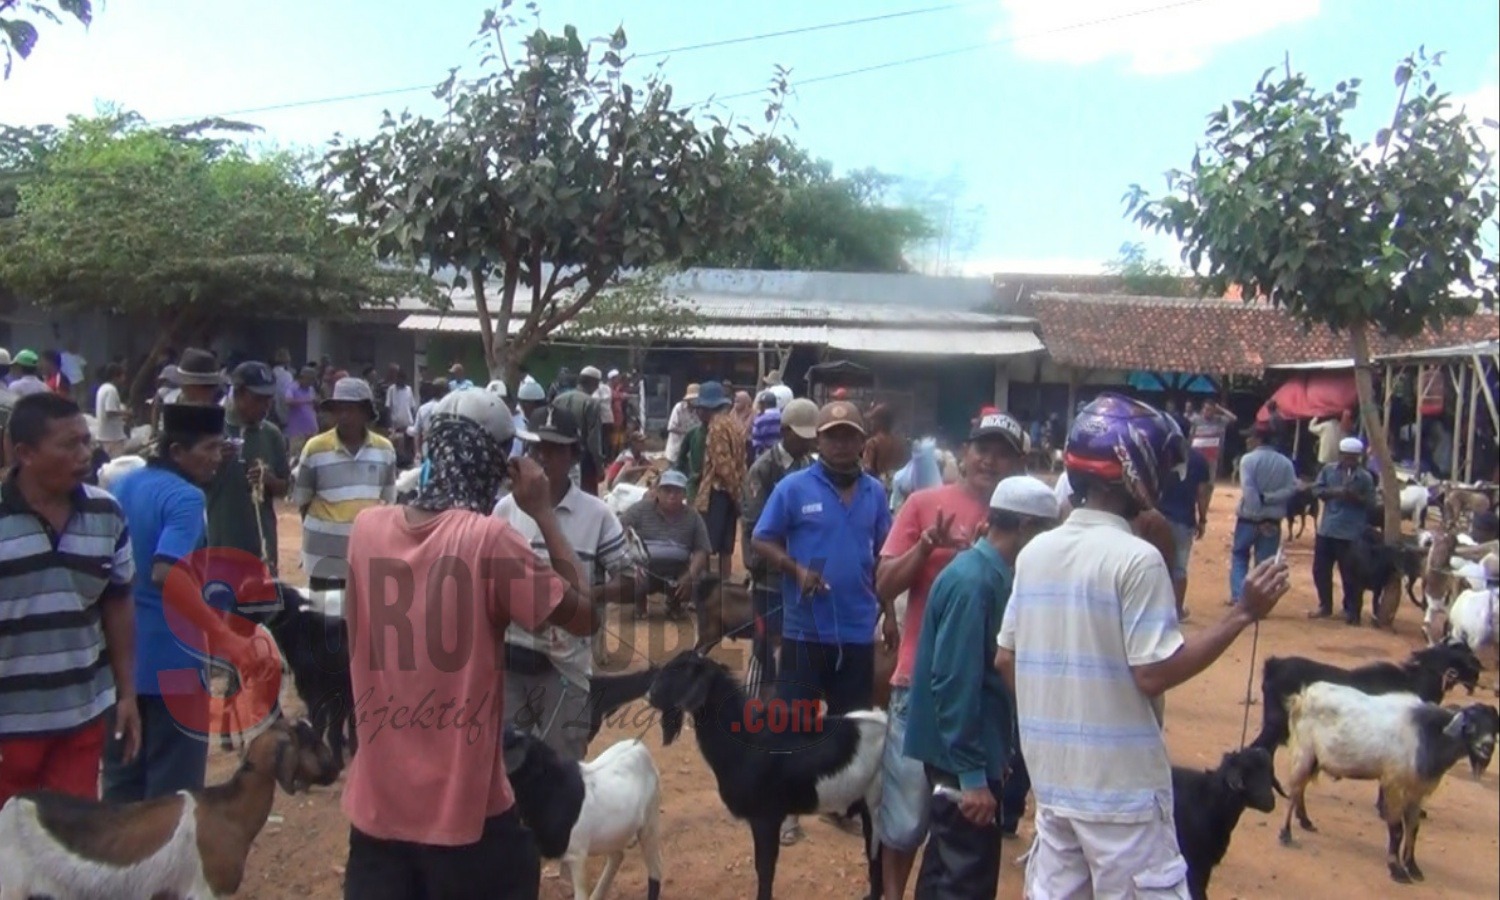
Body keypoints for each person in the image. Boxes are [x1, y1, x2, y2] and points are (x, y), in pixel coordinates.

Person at [995, 393, 1290, 899]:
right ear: (1138, 469)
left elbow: (1006, 659)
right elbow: (1153, 672)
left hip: (1055, 788)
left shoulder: (1036, 551)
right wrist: (1242, 613)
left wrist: (1063, 723)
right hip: (1122, 800)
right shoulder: (1138, 559)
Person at [341, 388, 595, 900]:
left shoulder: (366, 529)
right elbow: (584, 616)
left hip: (376, 812)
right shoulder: (489, 541)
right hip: (466, 820)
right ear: (494, 462)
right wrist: (544, 512)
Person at [873, 409, 1028, 895]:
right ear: (964, 452)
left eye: (1003, 454)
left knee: (959, 825)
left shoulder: (1027, 524)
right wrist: (925, 548)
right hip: (915, 684)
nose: (990, 461)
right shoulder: (923, 503)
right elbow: (882, 585)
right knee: (904, 823)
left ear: (1016, 466)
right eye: (983, 449)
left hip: (986, 692)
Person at [905, 476, 1059, 899]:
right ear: (1027, 527)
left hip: (965, 750)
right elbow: (954, 682)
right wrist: (973, 776)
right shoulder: (975, 583)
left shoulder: (988, 574)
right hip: (958, 757)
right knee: (966, 879)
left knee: (944, 870)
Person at [751, 399, 895, 848]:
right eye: (832, 435)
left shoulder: (874, 492)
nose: (841, 443)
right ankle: (788, 809)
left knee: (847, 724)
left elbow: (885, 556)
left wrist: (889, 614)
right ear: (819, 439)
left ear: (861, 441)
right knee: (793, 719)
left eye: (850, 435)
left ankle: (840, 805)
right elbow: (761, 539)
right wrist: (796, 571)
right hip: (803, 629)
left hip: (856, 629)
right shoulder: (794, 487)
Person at [104, 403, 260, 801]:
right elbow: (166, 572)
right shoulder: (187, 498)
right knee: (171, 803)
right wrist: (224, 640)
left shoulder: (124, 484)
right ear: (176, 451)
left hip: (121, 663)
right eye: (208, 449)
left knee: (122, 794)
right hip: (174, 663)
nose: (215, 458)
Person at [0, 393, 140, 808]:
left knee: (70, 846)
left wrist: (127, 694)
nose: (86, 455)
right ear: (24, 453)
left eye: (86, 441)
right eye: (69, 445)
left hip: (81, 719)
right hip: (8, 726)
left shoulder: (107, 514)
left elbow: (117, 604)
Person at [497, 404, 630, 763]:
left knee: (561, 771)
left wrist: (578, 599)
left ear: (573, 454)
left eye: (555, 448)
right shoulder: (504, 509)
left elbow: (632, 580)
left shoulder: (597, 513)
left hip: (566, 668)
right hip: (511, 662)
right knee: (507, 767)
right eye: (536, 447)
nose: (543, 456)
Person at [740, 398, 819, 694]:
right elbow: (754, 524)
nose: (808, 444)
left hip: (806, 572)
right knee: (765, 646)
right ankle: (755, 709)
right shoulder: (763, 470)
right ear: (785, 431)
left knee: (798, 644)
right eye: (803, 437)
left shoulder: (812, 467)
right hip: (772, 575)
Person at [291, 377, 398, 597]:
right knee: (324, 623)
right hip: (323, 556)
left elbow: (388, 501)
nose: (344, 416)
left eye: (351, 409)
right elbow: (303, 500)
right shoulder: (315, 449)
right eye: (339, 409)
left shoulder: (384, 450)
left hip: (366, 556)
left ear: (366, 412)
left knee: (360, 622)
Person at [206, 362, 291, 578]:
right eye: (259, 399)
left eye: (269, 399)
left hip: (261, 547)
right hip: (219, 545)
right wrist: (216, 462)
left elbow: (285, 488)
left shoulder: (271, 435)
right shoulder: (212, 429)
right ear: (239, 393)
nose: (266, 406)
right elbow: (192, 485)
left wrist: (269, 480)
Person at [623, 469, 711, 620]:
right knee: (629, 577)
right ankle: (639, 603)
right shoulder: (639, 510)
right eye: (667, 490)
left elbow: (702, 550)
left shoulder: (693, 517)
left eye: (677, 491)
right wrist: (629, 561)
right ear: (657, 492)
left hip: (677, 570)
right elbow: (617, 531)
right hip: (644, 568)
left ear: (684, 494)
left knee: (700, 580)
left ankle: (675, 604)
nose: (672, 495)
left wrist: (690, 575)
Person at [1310, 436, 1378, 624]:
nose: (1349, 461)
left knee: (1351, 574)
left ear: (1359, 458)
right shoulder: (1328, 470)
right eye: (1346, 457)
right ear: (1340, 455)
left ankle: (1351, 610)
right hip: (1328, 529)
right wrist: (1335, 492)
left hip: (1351, 533)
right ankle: (1325, 605)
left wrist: (1355, 497)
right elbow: (1316, 490)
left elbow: (1372, 503)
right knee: (1320, 570)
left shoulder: (1365, 477)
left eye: (1353, 458)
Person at [683, 380, 746, 582]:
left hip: (717, 493)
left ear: (707, 407)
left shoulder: (716, 427)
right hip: (731, 492)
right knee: (726, 547)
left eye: (699, 408)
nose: (697, 413)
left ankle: (703, 591)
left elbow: (723, 466)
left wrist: (734, 492)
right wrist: (738, 494)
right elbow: (741, 463)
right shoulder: (734, 424)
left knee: (704, 544)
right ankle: (725, 587)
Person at [1233, 423, 1298, 606]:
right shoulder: (1285, 462)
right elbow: (1292, 488)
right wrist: (1270, 499)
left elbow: (1248, 489)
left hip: (1249, 519)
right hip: (1273, 520)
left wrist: (1257, 511)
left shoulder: (1248, 460)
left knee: (1240, 556)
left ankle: (1239, 597)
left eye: (1250, 437)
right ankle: (1259, 601)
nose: (1247, 440)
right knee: (1265, 562)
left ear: (1258, 439)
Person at [1155, 444, 1213, 620]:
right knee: (1179, 566)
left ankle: (1153, 607)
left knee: (1154, 563)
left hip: (1157, 517)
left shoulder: (1159, 454)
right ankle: (1177, 610)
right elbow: (1202, 492)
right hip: (1183, 519)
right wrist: (1202, 518)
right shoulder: (1199, 460)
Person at [555, 368, 607, 496]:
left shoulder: (558, 399)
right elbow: (593, 439)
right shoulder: (591, 403)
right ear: (593, 383)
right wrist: (599, 466)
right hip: (583, 459)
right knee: (586, 499)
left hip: (558, 455)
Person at [1187, 398, 1237, 477]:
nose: (1207, 412)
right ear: (1202, 409)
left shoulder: (1219, 420)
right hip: (1197, 455)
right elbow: (1191, 436)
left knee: (1210, 480)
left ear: (1214, 411)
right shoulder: (1196, 420)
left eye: (1210, 410)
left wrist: (1220, 408)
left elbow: (1233, 418)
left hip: (1211, 456)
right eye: (1206, 409)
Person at [93, 362, 131, 457]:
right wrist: (127, 413)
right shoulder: (111, 390)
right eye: (122, 375)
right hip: (112, 437)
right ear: (115, 376)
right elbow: (110, 411)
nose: (124, 379)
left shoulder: (102, 388)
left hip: (104, 435)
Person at [385, 364, 417, 466]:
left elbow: (412, 407)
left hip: (408, 422)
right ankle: (398, 463)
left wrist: (414, 422)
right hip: (396, 424)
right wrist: (389, 425)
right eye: (399, 378)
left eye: (403, 379)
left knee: (408, 444)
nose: (401, 381)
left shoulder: (409, 389)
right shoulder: (391, 390)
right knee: (397, 445)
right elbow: (388, 407)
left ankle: (408, 462)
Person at [665, 383, 699, 465]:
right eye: (694, 399)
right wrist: (687, 432)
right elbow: (671, 427)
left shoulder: (698, 411)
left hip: (690, 452)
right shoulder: (679, 408)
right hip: (676, 451)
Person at [749, 391, 782, 460]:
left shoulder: (759, 420)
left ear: (764, 404)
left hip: (765, 458)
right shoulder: (784, 416)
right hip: (782, 456)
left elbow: (756, 443)